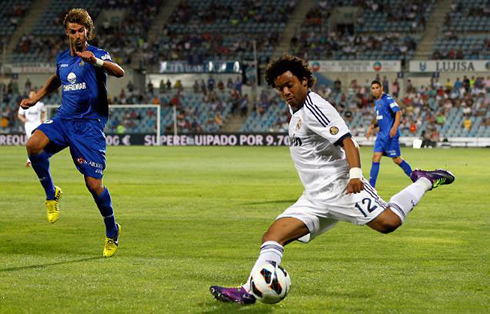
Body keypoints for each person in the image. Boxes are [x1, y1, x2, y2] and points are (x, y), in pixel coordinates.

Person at [209, 55, 455, 305]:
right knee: (272, 236)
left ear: (304, 81)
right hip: (314, 196)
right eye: (280, 87)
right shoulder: (295, 106)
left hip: (341, 188)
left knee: (389, 222)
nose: (285, 91)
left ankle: (423, 180)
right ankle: (248, 292)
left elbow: (348, 141)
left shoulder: (316, 108)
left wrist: (355, 174)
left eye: (290, 85)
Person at [19, 8, 125, 258]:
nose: (77, 35)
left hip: (88, 125)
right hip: (64, 120)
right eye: (73, 31)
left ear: (87, 31)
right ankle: (51, 193)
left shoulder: (96, 54)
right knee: (33, 144)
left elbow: (119, 71)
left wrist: (96, 62)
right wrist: (36, 98)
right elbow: (57, 79)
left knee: (93, 185)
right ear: (67, 32)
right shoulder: (63, 59)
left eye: (81, 31)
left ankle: (112, 229)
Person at [366, 80, 413, 188]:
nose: (375, 90)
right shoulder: (377, 102)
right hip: (381, 136)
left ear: (381, 88)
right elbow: (380, 119)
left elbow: (398, 112)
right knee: (376, 157)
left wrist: (394, 128)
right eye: (373, 88)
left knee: (396, 160)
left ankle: (414, 177)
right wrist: (371, 127)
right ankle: (371, 188)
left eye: (377, 87)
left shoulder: (387, 99)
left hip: (390, 135)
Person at [18, 90, 46, 167]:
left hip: (37, 123)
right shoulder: (25, 103)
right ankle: (33, 159)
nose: (32, 95)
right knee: (31, 141)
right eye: (31, 94)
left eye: (34, 94)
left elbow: (44, 111)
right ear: (29, 95)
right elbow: (19, 114)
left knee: (36, 141)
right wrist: (24, 120)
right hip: (28, 124)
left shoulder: (40, 104)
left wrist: (43, 119)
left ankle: (30, 160)